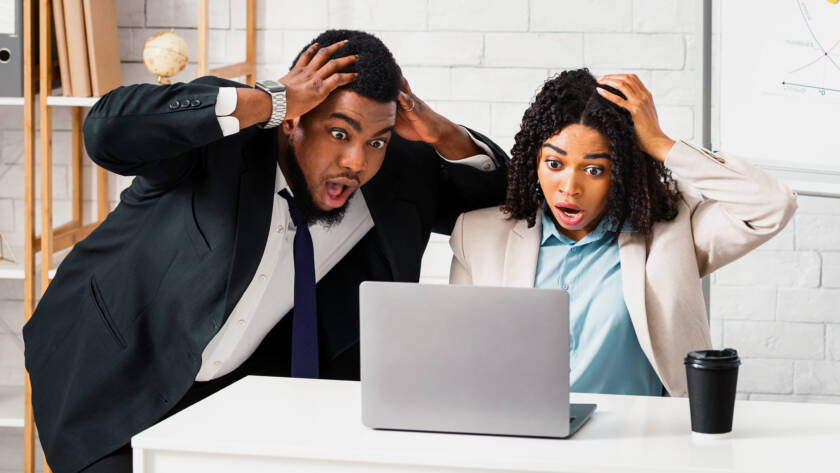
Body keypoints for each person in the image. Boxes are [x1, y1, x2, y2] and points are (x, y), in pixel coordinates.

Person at [23, 30, 508, 473]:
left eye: (376, 140)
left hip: (236, 399)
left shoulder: (395, 172)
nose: (356, 161)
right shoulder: (223, 137)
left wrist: (442, 133)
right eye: (338, 134)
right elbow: (106, 132)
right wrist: (268, 99)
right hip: (114, 369)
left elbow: (506, 200)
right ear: (292, 120)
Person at [449, 68, 796, 397]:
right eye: (554, 164)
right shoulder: (477, 237)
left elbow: (771, 205)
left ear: (622, 172)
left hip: (638, 446)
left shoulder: (672, 232)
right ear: (533, 161)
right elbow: (462, 364)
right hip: (525, 442)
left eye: (594, 170)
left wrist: (660, 143)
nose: (569, 187)